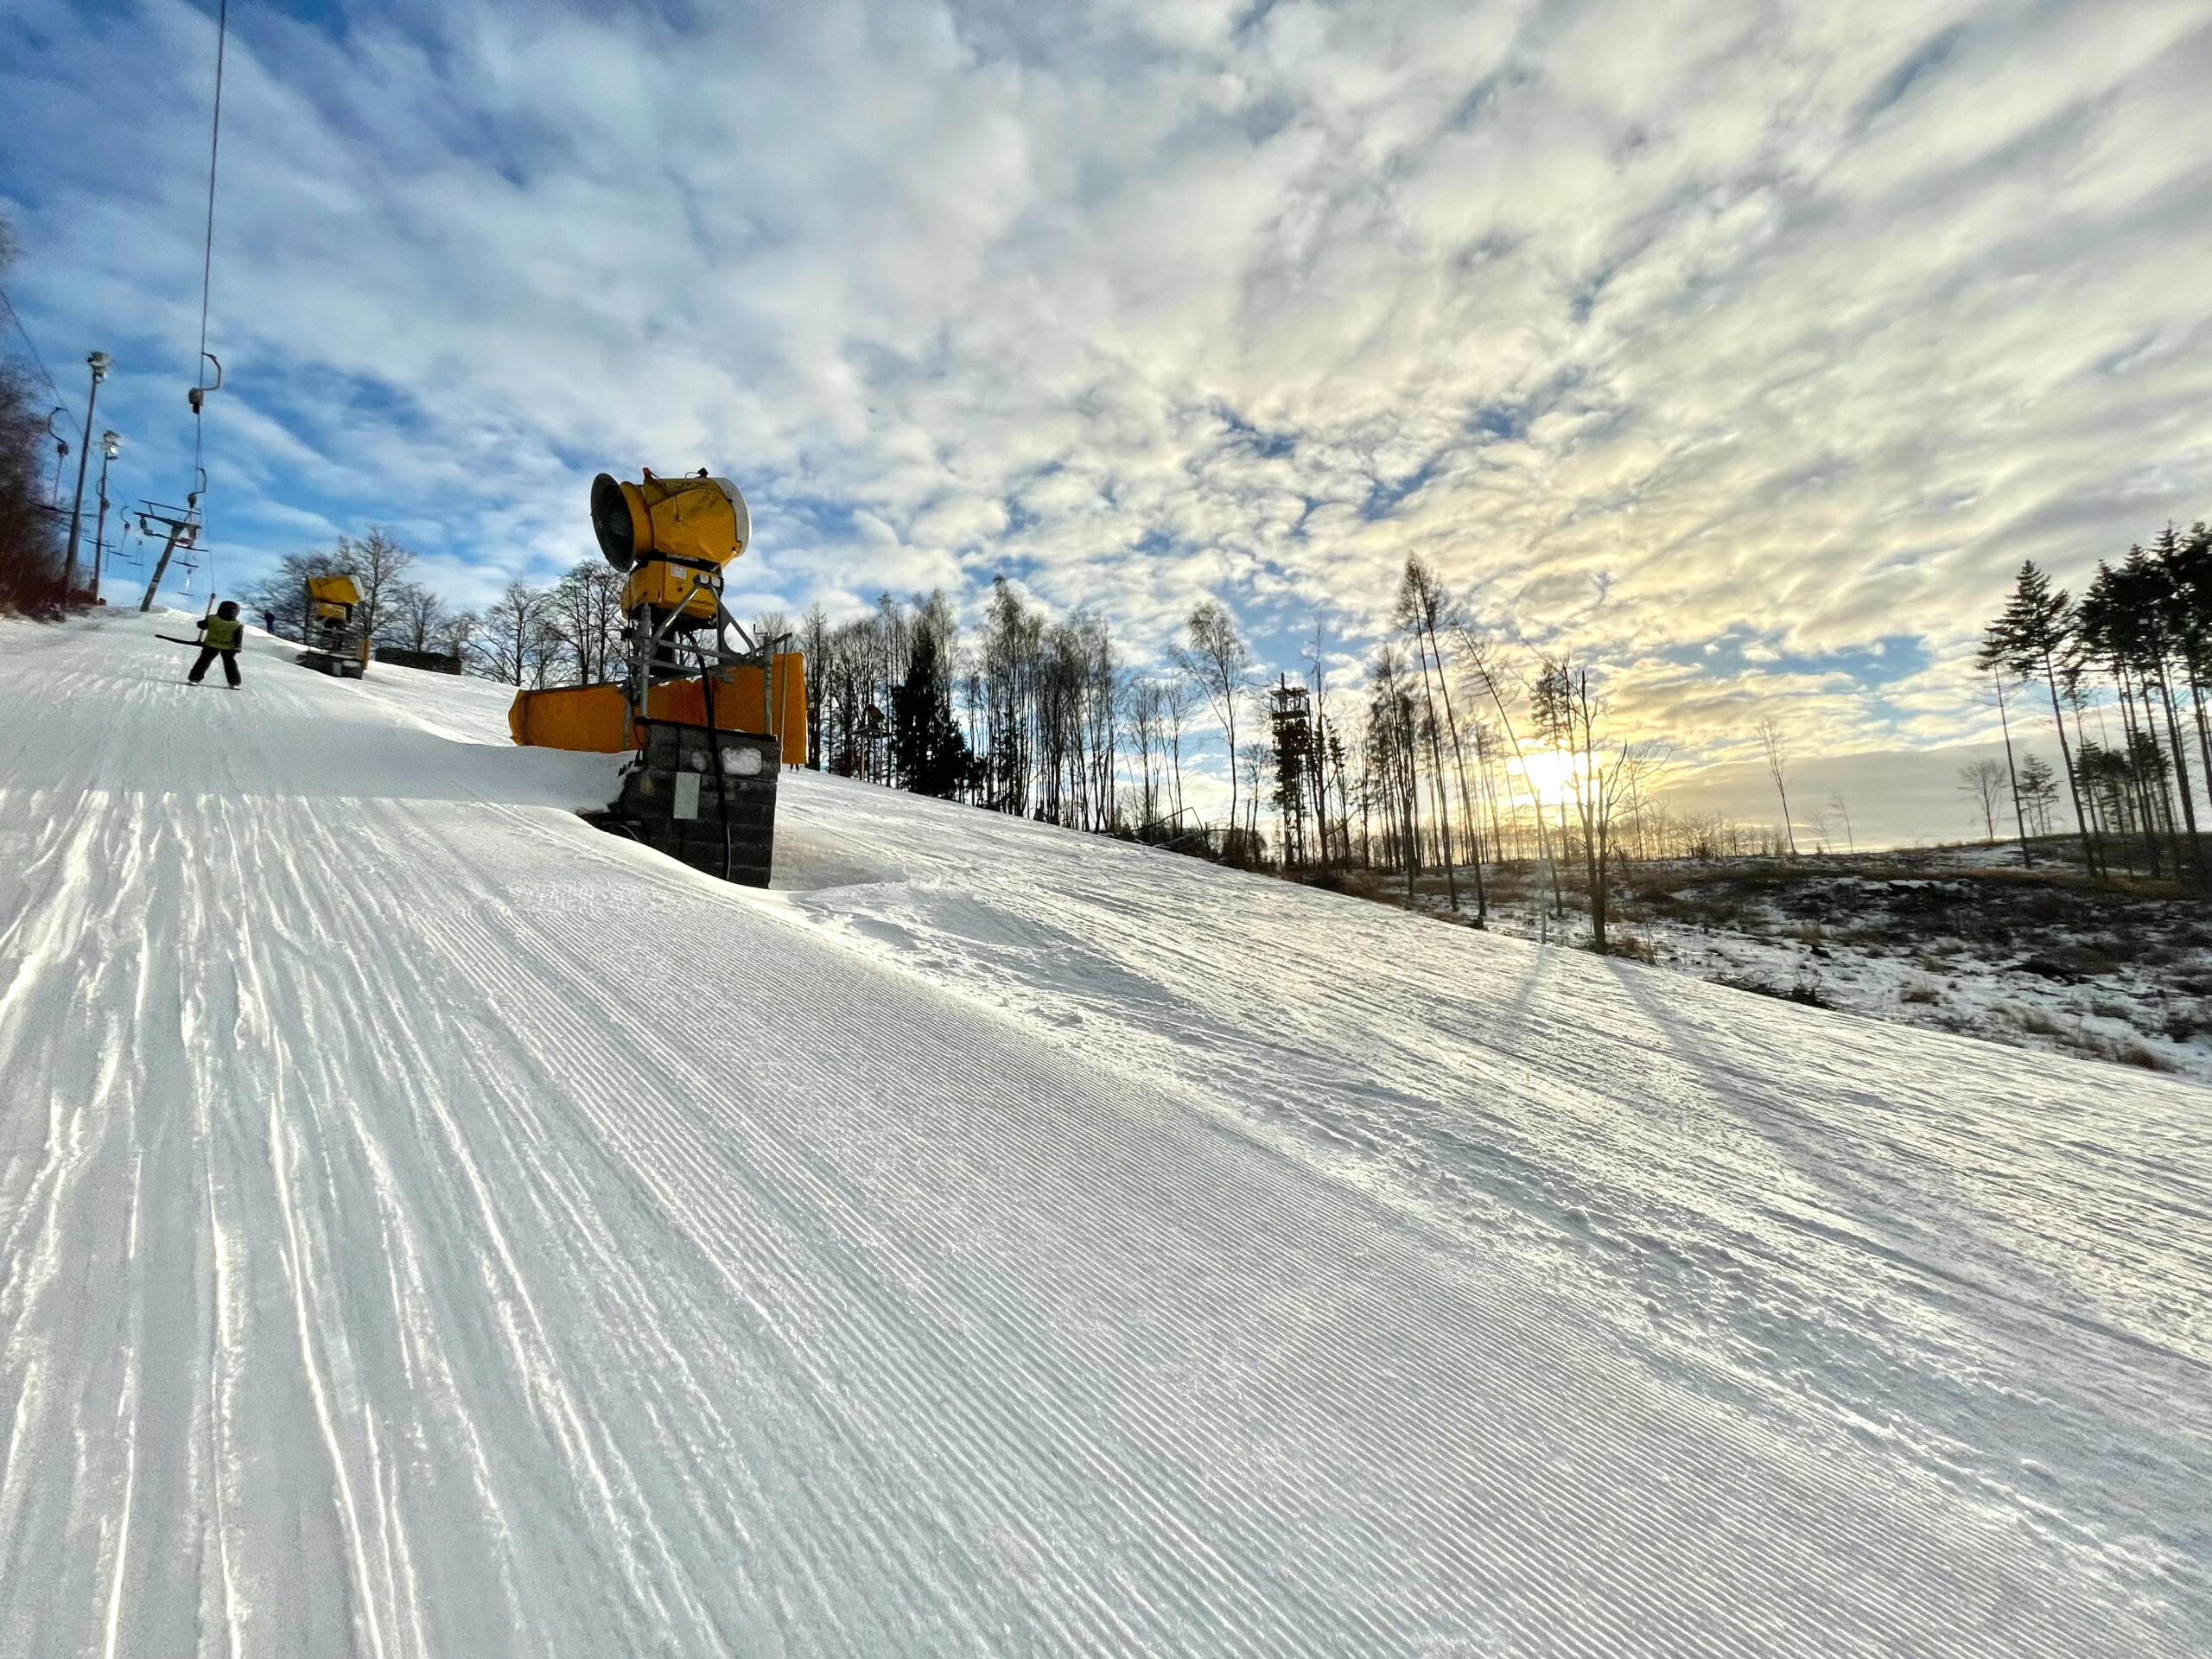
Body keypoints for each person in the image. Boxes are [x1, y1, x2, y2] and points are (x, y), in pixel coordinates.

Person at [190, 601, 245, 689]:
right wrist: (238, 646)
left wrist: (201, 623)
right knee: (230, 664)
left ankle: (194, 678)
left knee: (204, 661)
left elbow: (202, 626)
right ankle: (234, 683)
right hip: (229, 647)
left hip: (211, 644)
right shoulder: (237, 624)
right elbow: (238, 637)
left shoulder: (212, 619)